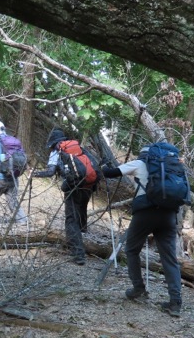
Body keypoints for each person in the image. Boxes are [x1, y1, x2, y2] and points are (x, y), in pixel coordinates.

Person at [101, 148, 183, 317]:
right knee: (169, 258)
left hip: (145, 213)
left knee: (132, 249)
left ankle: (138, 288)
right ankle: (175, 302)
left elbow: (110, 173)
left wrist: (103, 166)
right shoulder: (172, 168)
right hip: (169, 214)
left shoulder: (139, 163)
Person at [31, 127, 95, 266]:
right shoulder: (79, 148)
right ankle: (85, 239)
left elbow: (50, 172)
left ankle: (78, 254)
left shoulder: (57, 151)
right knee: (81, 214)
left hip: (73, 188)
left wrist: (34, 173)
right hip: (88, 186)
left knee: (71, 220)